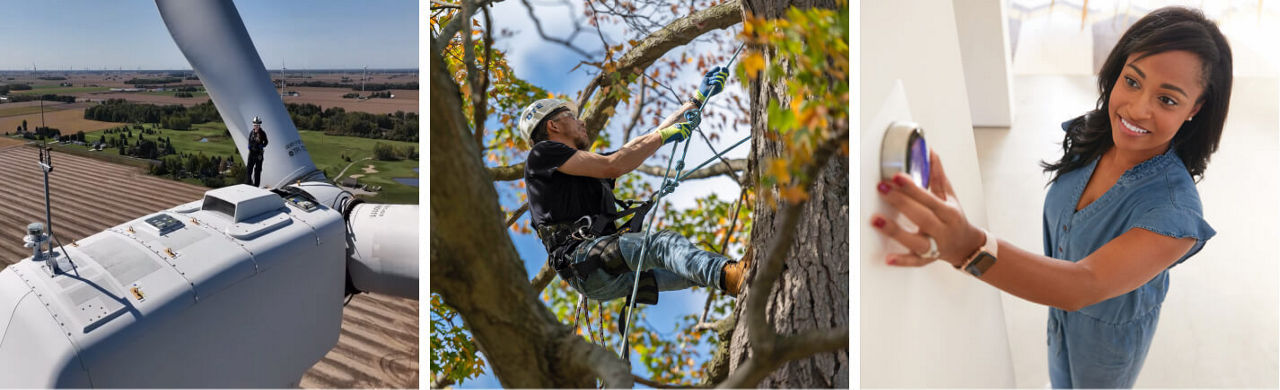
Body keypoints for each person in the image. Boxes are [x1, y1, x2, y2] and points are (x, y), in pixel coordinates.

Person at [868, 7, 1230, 389]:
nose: (1137, 110)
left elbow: (1081, 286)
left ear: (1196, 108)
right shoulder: (1092, 136)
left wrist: (968, 247)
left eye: (1168, 100)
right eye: (1132, 81)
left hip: (1106, 343)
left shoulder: (1175, 216)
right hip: (1057, 313)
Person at [522, 66, 749, 307]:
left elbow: (636, 146)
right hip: (587, 257)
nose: (582, 122)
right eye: (571, 116)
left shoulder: (580, 169)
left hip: (598, 268)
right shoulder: (541, 154)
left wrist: (696, 100)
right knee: (663, 245)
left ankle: (742, 274)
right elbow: (615, 164)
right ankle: (734, 277)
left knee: (687, 264)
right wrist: (663, 137)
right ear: (553, 126)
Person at [246, 116, 269, 187]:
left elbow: (266, 142)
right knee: (249, 169)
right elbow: (249, 140)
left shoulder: (262, 133)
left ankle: (256, 185)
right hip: (251, 154)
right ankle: (248, 182)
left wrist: (262, 145)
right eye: (255, 125)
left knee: (257, 171)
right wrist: (249, 146)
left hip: (259, 154)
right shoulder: (251, 132)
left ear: (259, 125)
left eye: (257, 125)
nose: (256, 126)